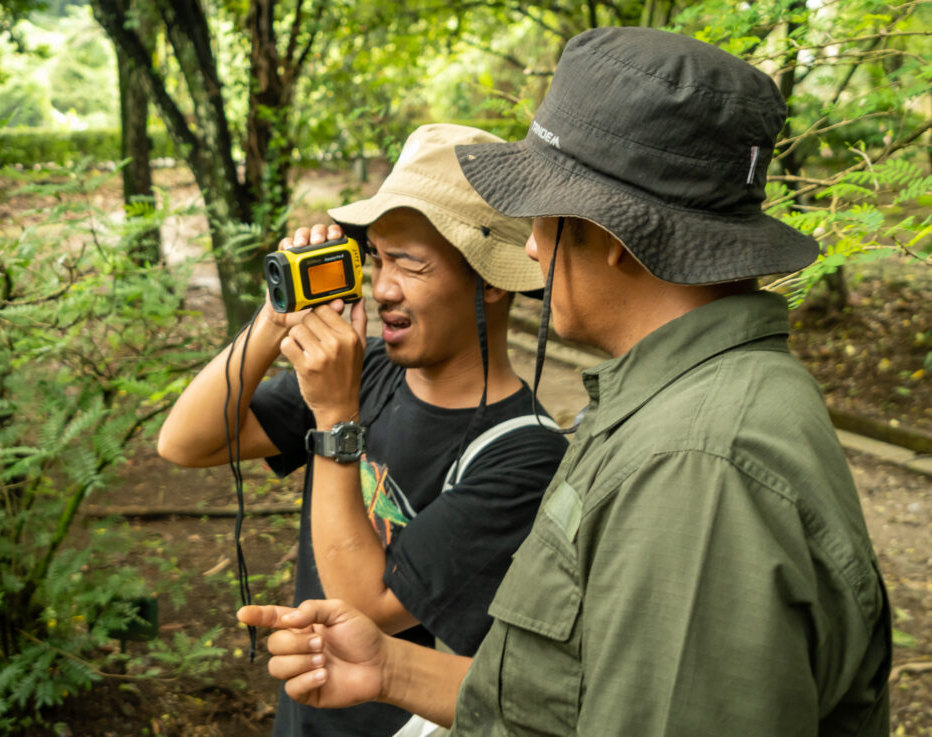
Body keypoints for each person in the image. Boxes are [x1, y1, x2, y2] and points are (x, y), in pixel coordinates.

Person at [238, 26, 892, 737]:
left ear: (613, 235)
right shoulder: (680, 406)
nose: (529, 245)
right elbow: (595, 685)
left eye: (545, 215)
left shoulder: (697, 469)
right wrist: (393, 669)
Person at [158, 123, 569, 737]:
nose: (382, 289)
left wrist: (334, 419)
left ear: (489, 282)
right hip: (304, 718)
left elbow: (366, 607)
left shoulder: (525, 454)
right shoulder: (370, 370)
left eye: (410, 264)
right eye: (377, 259)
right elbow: (187, 442)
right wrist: (276, 318)